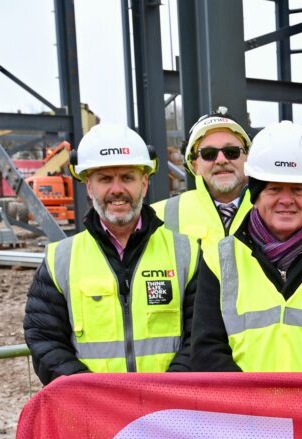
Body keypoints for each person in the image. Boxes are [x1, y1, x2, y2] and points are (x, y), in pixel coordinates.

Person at [190, 121, 302, 372]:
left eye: (298, 190)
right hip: (244, 411)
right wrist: (258, 407)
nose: (286, 200)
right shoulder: (219, 260)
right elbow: (206, 352)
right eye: (274, 189)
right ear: (256, 195)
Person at [24, 123, 199, 384]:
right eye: (105, 179)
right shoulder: (60, 260)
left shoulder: (187, 254)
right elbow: (44, 339)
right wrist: (91, 395)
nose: (117, 189)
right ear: (89, 187)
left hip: (168, 414)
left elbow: (200, 336)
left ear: (144, 183)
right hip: (92, 413)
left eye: (127, 178)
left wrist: (166, 395)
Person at [152, 110, 252, 242]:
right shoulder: (158, 216)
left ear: (247, 158)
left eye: (231, 152)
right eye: (209, 154)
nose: (221, 160)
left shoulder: (276, 207)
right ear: (195, 166)